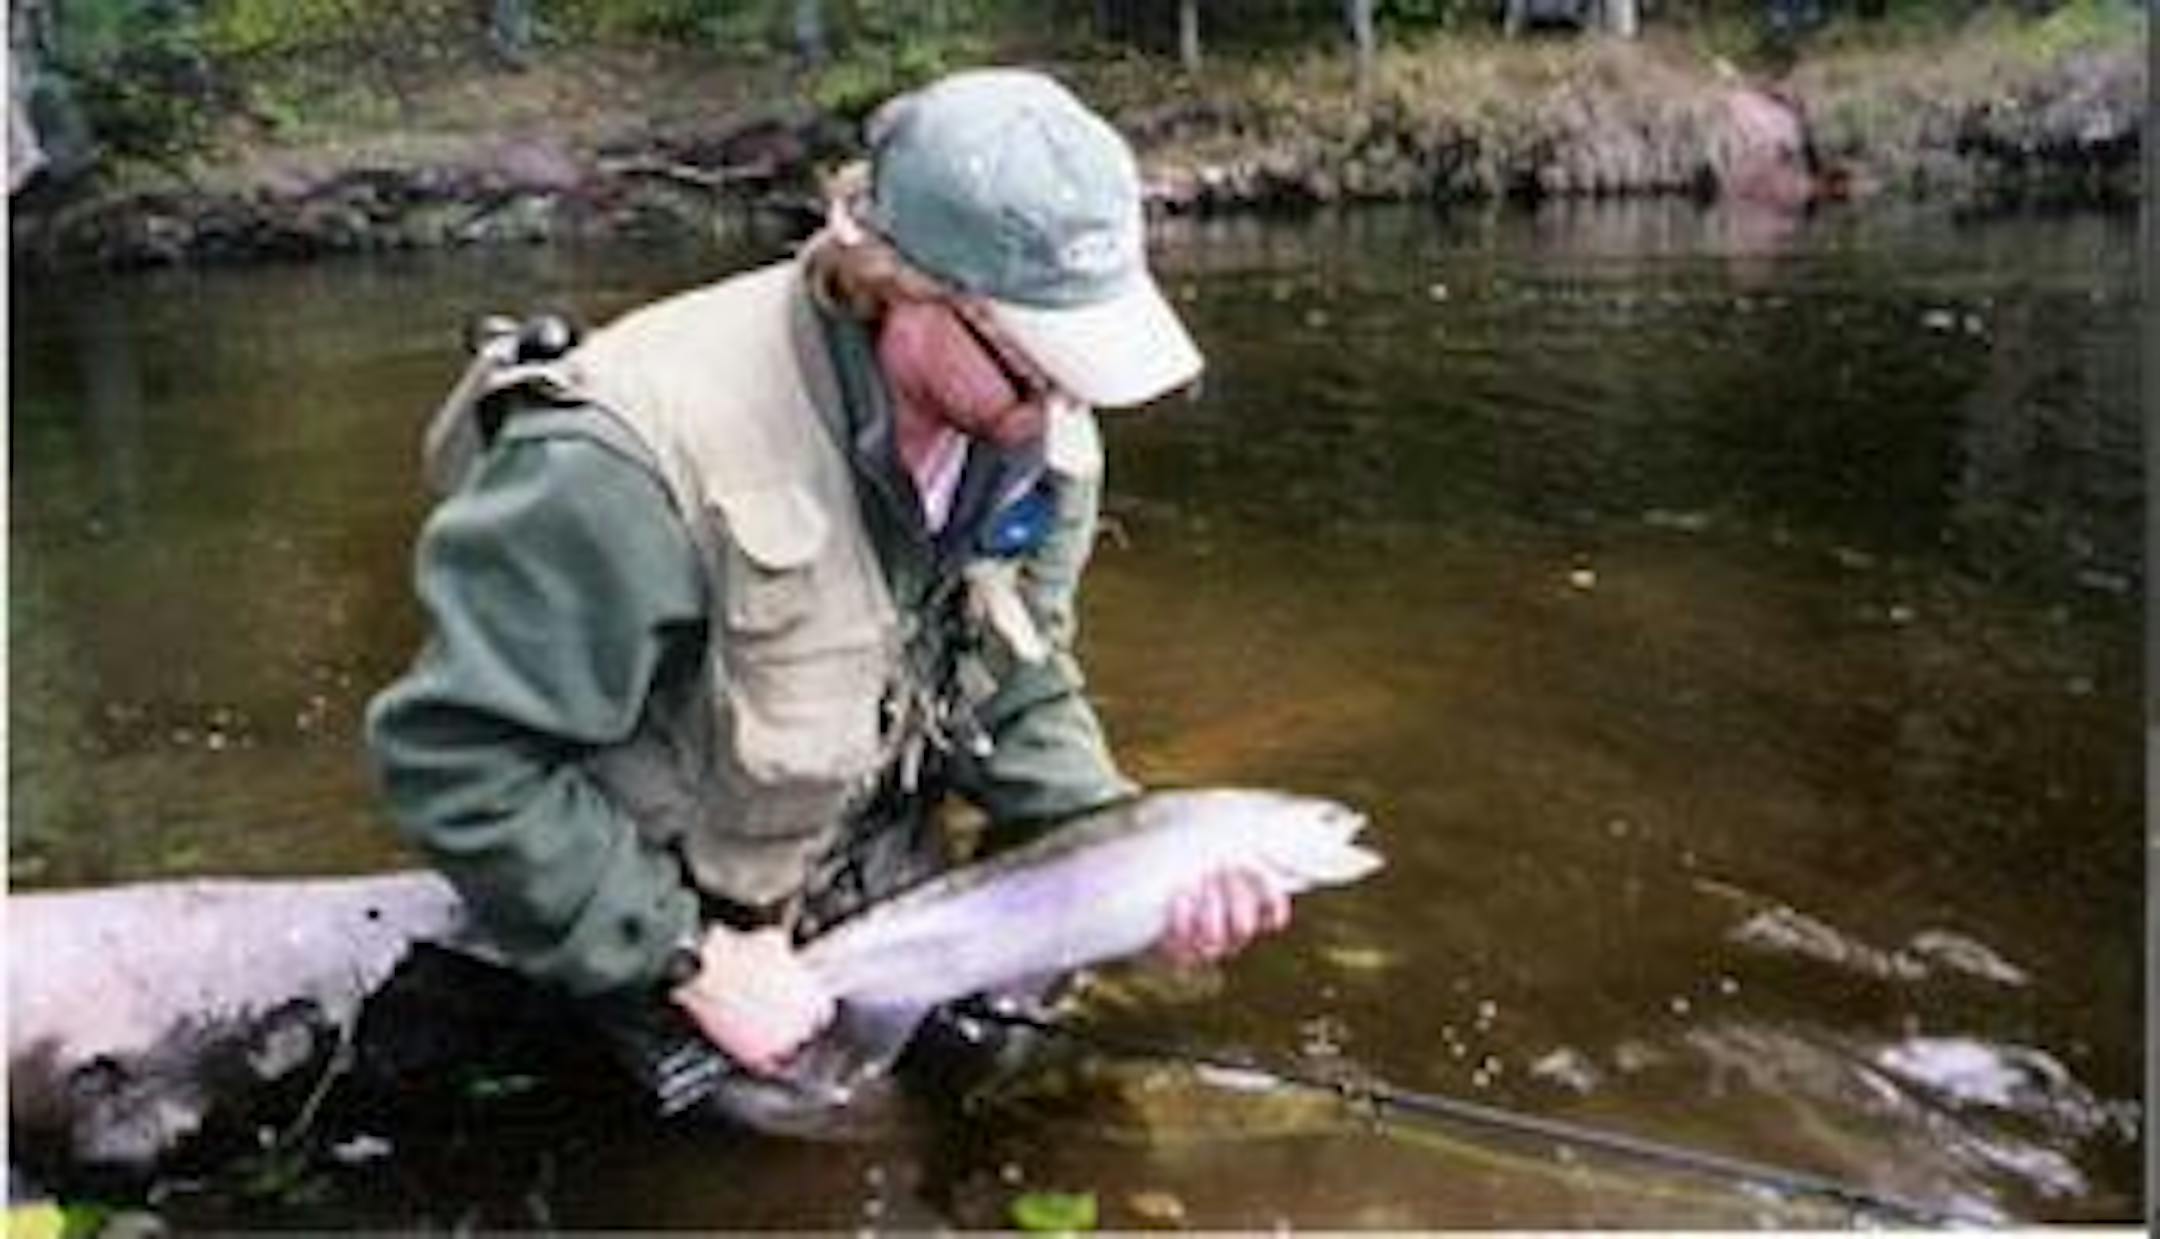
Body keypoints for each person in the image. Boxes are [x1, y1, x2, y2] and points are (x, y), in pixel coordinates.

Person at [365, 68, 1289, 1117]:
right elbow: (456, 758)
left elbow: (1019, 683)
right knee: (844, 1155)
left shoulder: (1037, 439)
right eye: (1037, 365)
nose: (1063, 404)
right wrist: (681, 957)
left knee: (1052, 1100)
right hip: (672, 901)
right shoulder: (619, 462)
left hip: (879, 876)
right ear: (901, 283)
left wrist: (1130, 855)